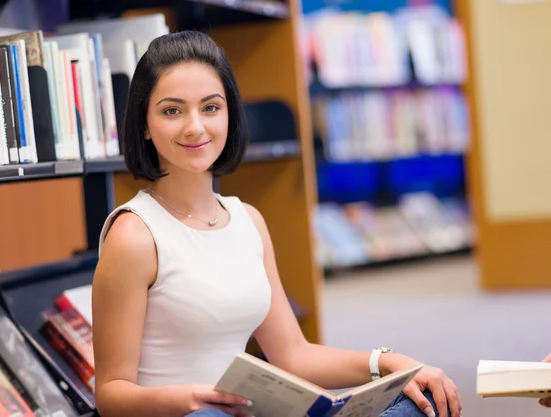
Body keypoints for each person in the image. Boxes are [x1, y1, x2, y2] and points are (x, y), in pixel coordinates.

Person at [91, 30, 462, 417]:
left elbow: (293, 355)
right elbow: (112, 395)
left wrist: (388, 363)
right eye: (172, 111)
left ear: (230, 114)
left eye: (211, 107)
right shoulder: (134, 234)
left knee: (423, 398)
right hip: (191, 416)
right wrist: (189, 400)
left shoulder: (248, 219)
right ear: (145, 125)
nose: (195, 126)